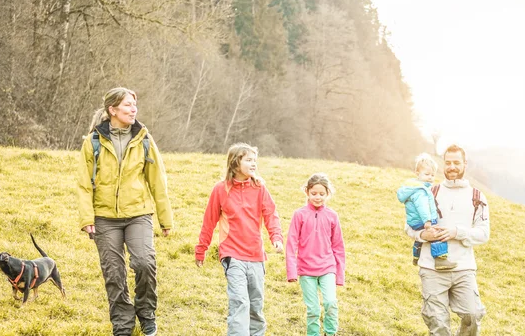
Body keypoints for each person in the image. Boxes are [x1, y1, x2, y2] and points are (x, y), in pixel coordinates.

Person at [77, 87, 174, 336]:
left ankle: (146, 313)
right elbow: (84, 184)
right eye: (128, 105)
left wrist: (165, 220)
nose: (134, 109)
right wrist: (87, 218)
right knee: (114, 274)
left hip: (138, 214)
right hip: (105, 218)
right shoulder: (93, 142)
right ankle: (122, 325)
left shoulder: (144, 139)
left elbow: (157, 181)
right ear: (113, 110)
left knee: (144, 263)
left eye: (134, 105)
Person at [195, 143, 284, 336]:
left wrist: (276, 237)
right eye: (249, 160)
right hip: (232, 255)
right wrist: (201, 250)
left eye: (255, 160)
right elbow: (209, 222)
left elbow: (270, 214)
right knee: (240, 302)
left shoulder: (260, 188)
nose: (254, 164)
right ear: (236, 163)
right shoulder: (220, 190)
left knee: (255, 307)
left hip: (256, 256)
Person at [405, 144, 489, 336]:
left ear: (465, 164)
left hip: (464, 269)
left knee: (473, 315)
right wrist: (422, 235)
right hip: (432, 268)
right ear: (443, 164)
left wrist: (456, 232)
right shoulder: (428, 192)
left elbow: (483, 233)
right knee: (438, 324)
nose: (452, 167)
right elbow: (409, 226)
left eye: (457, 163)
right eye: (448, 162)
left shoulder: (477, 196)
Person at [286, 173, 346, 336]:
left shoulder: (332, 216)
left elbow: (338, 247)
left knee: (330, 302)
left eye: (322, 194)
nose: (318, 197)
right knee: (313, 309)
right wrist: (292, 271)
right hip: (306, 270)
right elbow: (291, 244)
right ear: (307, 192)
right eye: (314, 193)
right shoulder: (299, 215)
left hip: (328, 267)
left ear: (328, 193)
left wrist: (340, 275)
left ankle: (330, 332)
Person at [397, 153, 456, 270]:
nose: (430, 177)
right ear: (417, 174)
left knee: (420, 237)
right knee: (437, 234)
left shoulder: (413, 187)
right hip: (423, 219)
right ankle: (440, 259)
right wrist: (428, 221)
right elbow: (422, 207)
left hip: (414, 221)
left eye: (432, 175)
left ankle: (416, 255)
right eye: (427, 174)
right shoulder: (421, 191)